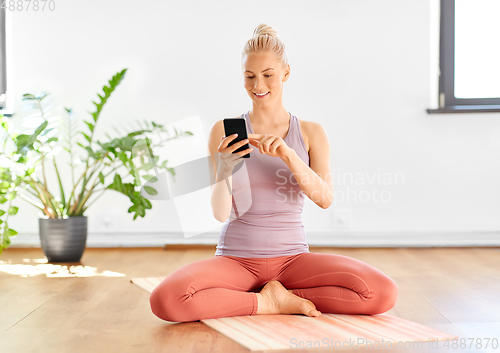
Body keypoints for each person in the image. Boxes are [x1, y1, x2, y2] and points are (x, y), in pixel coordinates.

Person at [149, 23, 398, 323]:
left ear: (286, 74)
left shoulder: (310, 133)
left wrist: (289, 155)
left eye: (268, 75)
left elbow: (325, 199)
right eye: (249, 77)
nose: (258, 86)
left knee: (382, 292)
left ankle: (284, 295)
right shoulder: (224, 131)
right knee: (166, 300)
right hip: (236, 260)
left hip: (293, 261)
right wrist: (226, 168)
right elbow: (218, 213)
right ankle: (267, 302)